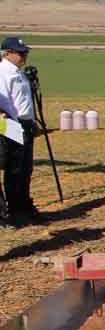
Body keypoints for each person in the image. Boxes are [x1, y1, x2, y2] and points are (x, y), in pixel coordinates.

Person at [0, 37, 38, 223]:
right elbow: (4, 102)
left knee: (26, 169)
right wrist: (12, 124)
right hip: (13, 124)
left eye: (25, 52)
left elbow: (24, 101)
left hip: (26, 123)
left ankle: (25, 204)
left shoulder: (18, 72)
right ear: (7, 53)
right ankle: (15, 210)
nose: (24, 56)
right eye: (20, 53)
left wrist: (32, 120)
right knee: (15, 170)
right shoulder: (3, 72)